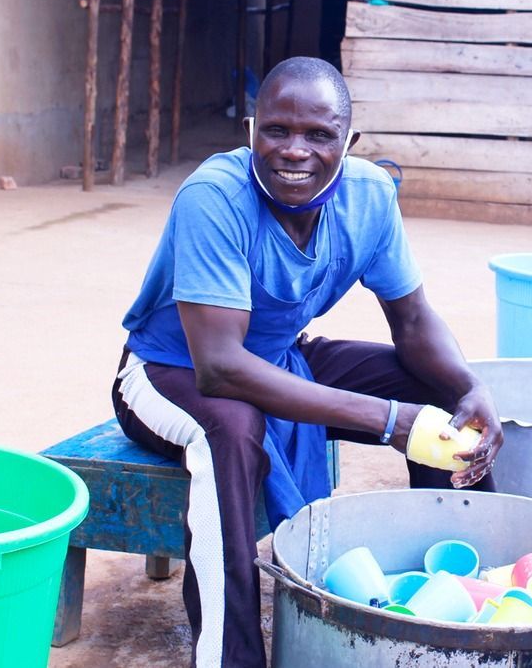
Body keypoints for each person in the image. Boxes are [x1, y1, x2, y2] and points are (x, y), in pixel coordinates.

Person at [112, 56, 503, 668]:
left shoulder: (369, 197)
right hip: (168, 371)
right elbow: (219, 368)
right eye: (277, 130)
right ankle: (230, 655)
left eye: (319, 135)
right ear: (251, 131)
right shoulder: (214, 199)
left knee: (437, 401)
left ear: (348, 142)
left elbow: (413, 320)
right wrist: (385, 420)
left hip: (276, 359)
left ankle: (460, 595)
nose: (295, 151)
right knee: (231, 430)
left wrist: (467, 385)